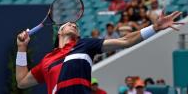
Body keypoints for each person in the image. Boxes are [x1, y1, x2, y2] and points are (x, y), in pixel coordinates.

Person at [16, 10, 183, 94]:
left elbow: (126, 41)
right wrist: (21, 48)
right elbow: (22, 81)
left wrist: (154, 27)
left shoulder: (85, 45)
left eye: (76, 26)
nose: (74, 24)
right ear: (59, 32)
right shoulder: (47, 60)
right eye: (68, 24)